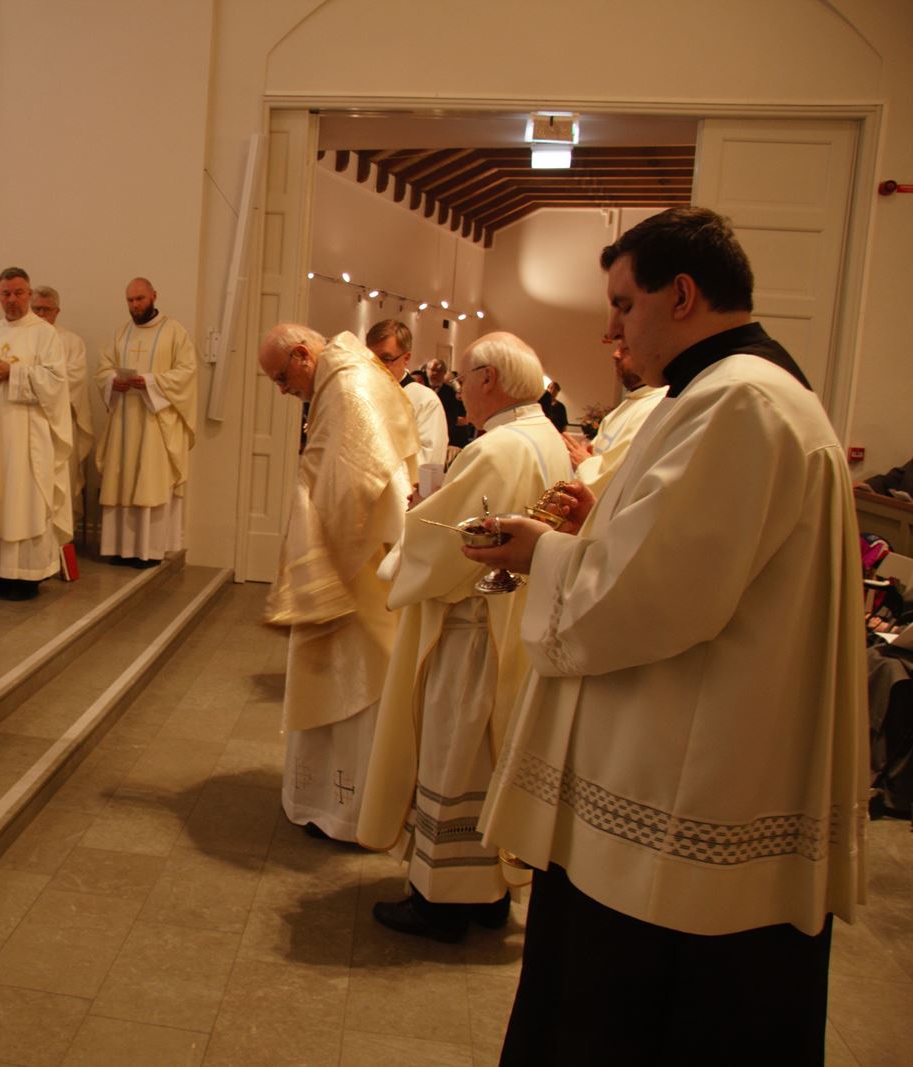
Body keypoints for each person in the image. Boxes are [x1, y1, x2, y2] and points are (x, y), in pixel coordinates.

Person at [466, 207, 866, 1064]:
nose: (610, 328)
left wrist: (545, 554)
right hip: (701, 751)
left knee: (643, 1018)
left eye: (622, 304)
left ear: (682, 294)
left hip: (685, 786)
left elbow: (649, 597)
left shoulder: (738, 402)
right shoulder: (732, 392)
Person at [360, 331, 571, 942]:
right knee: (488, 759)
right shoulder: (547, 438)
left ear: (490, 379)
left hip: (472, 628)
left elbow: (450, 543)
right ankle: (484, 893)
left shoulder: (499, 448)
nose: (460, 390)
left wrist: (412, 525)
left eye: (464, 376)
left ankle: (440, 901)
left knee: (455, 754)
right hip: (516, 626)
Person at [259, 324, 419, 842]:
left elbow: (361, 483)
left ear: (303, 356)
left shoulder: (347, 388)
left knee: (354, 690)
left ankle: (346, 813)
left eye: (282, 378)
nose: (283, 391)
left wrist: (315, 553)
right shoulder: (345, 376)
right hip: (354, 558)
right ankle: (328, 803)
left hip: (353, 566)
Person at [0, 267, 73, 600]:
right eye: (6, 293)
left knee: (21, 499)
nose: (12, 299)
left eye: (19, 293)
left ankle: (23, 576)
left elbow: (55, 381)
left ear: (29, 294)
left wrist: (13, 372)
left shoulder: (44, 333)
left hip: (25, 434)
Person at [94, 277, 197, 566]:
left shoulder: (174, 332)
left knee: (150, 480)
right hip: (124, 423)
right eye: (130, 300)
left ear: (153, 296)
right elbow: (102, 370)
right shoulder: (120, 334)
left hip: (155, 424)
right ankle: (118, 548)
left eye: (139, 299)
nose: (135, 305)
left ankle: (148, 551)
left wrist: (150, 382)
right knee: (121, 478)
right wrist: (114, 382)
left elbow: (187, 373)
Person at [565, 343, 667, 497]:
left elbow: (623, 480)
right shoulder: (629, 403)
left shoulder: (658, 405)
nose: (615, 354)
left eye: (626, 348)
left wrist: (585, 464)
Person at [31, 285, 94, 520]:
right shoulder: (22, 338)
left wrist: (36, 382)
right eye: (36, 309)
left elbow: (74, 379)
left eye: (46, 310)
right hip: (27, 420)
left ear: (57, 311)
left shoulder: (71, 341)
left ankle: (60, 543)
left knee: (59, 480)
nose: (40, 315)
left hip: (59, 423)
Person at [369, 319, 447, 498]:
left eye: (386, 359)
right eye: (371, 359)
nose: (376, 366)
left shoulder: (424, 401)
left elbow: (428, 463)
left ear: (406, 358)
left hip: (402, 500)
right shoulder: (362, 394)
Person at [428, 358, 474, 450]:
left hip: (448, 440)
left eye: (439, 371)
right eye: (432, 370)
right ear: (427, 371)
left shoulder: (452, 393)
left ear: (444, 373)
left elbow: (454, 419)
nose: (434, 374)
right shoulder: (422, 390)